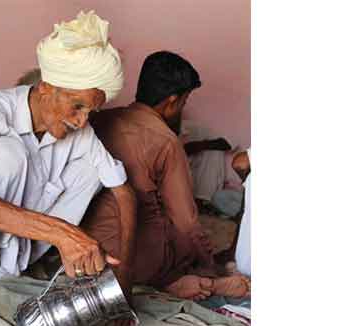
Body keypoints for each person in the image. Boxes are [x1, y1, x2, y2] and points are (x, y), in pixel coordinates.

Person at [0, 11, 137, 305]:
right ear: (46, 88)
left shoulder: (80, 132)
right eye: (77, 107)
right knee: (10, 154)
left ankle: (21, 263)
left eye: (90, 112)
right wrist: (63, 235)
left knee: (90, 169)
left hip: (10, 256)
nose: (83, 121)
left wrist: (125, 276)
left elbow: (124, 192)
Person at [81, 51, 249, 301]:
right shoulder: (166, 141)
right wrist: (210, 266)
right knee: (183, 235)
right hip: (139, 260)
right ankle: (187, 281)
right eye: (184, 100)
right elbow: (186, 221)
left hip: (89, 251)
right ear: (172, 101)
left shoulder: (100, 120)